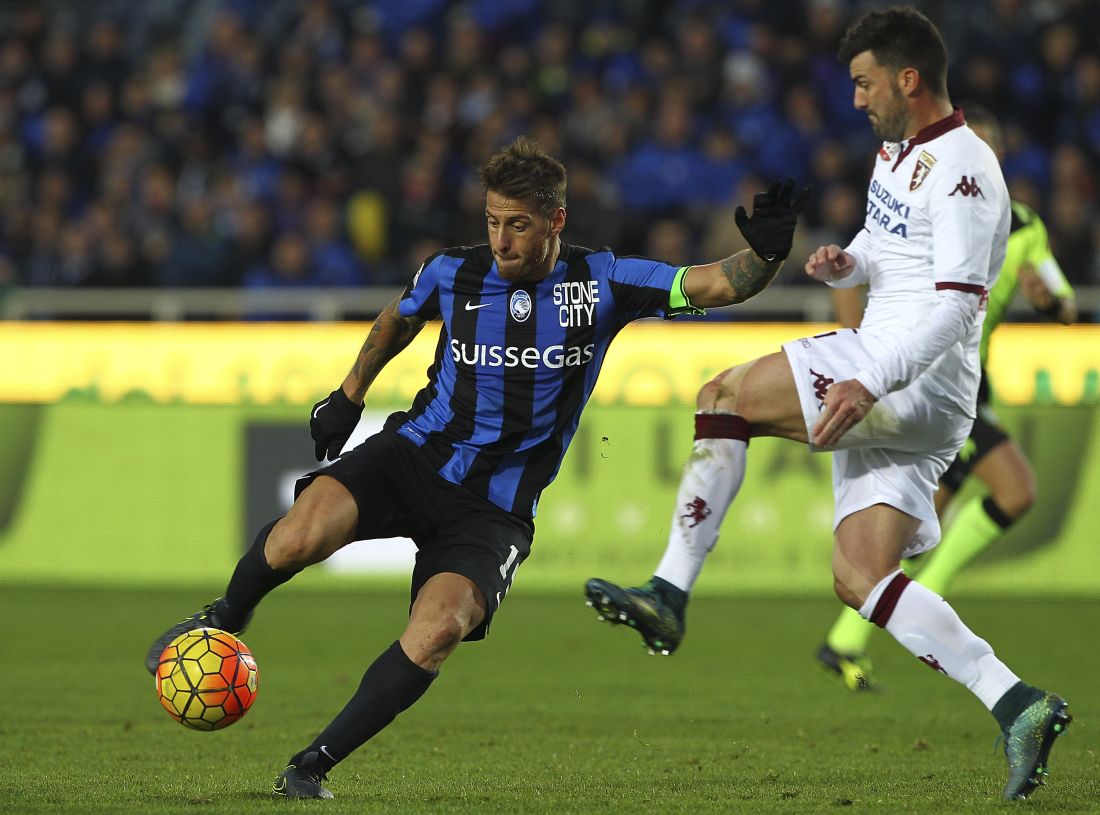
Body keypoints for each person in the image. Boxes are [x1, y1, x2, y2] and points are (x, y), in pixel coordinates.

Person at [144, 136, 810, 799]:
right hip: (414, 455)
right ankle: (225, 615)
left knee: (439, 631)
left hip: (494, 509)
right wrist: (349, 395)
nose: (501, 240)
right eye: (492, 222)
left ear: (556, 221)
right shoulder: (451, 273)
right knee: (296, 536)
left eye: (517, 225)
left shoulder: (603, 281)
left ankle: (310, 765)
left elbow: (715, 283)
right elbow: (398, 319)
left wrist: (767, 254)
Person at [583, 7, 1071, 801]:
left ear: (907, 79)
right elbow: (889, 250)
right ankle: (1019, 703)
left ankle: (669, 592)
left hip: (908, 373)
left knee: (723, 394)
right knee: (859, 576)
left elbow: (953, 306)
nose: (855, 98)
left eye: (865, 82)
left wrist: (872, 379)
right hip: (904, 376)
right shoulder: (898, 153)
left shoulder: (967, 169)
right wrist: (848, 263)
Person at [817, 106, 1078, 692]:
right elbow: (877, 268)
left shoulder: (1027, 228)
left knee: (920, 519)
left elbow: (1065, 304)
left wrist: (1049, 302)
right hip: (923, 380)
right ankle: (873, 628)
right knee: (1015, 491)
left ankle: (844, 639)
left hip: (966, 384)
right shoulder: (931, 216)